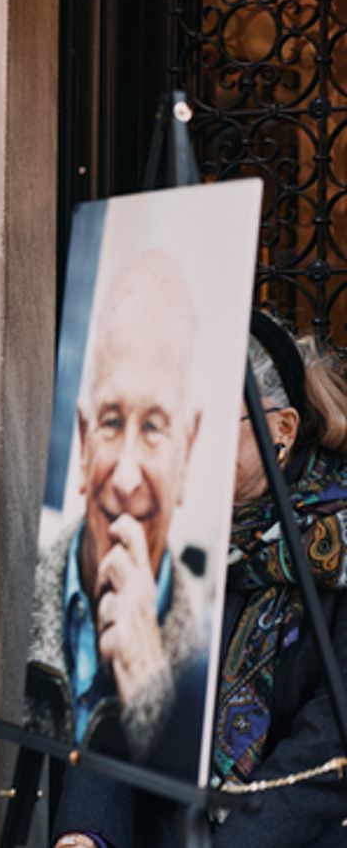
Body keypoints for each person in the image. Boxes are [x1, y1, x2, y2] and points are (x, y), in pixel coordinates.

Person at [53, 312, 347, 847]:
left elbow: (327, 746)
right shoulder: (158, 533)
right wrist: (85, 833)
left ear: (281, 430)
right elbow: (117, 702)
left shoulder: (338, 545)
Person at [25, 251, 209, 773]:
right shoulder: (37, 594)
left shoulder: (202, 654)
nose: (126, 479)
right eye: (111, 421)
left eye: (154, 427)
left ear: (187, 452)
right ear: (82, 440)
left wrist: (150, 692)